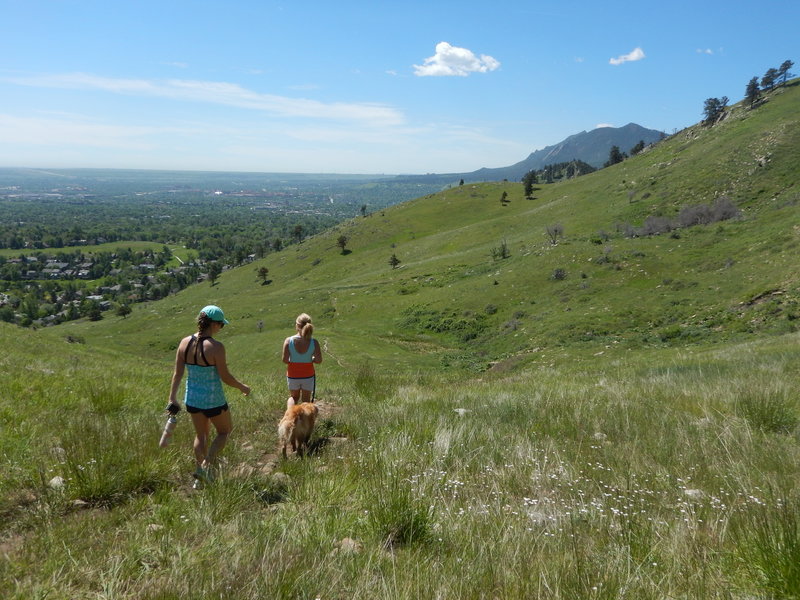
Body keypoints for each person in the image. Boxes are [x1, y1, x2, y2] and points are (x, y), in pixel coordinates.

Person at [167, 305, 250, 488]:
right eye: (221, 325)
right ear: (214, 324)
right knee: (224, 431)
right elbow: (225, 377)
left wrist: (172, 398)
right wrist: (243, 387)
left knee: (201, 435)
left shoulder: (184, 343)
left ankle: (200, 475)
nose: (221, 328)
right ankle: (206, 466)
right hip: (213, 400)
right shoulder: (216, 347)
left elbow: (177, 374)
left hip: (193, 399)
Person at [282, 313, 322, 407]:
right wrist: (312, 359)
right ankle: (305, 420)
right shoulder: (314, 342)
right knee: (306, 400)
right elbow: (319, 360)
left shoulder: (289, 341)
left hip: (293, 374)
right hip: (308, 375)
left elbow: (285, 360)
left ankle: (290, 415)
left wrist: (293, 359)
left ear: (297, 326)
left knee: (293, 398)